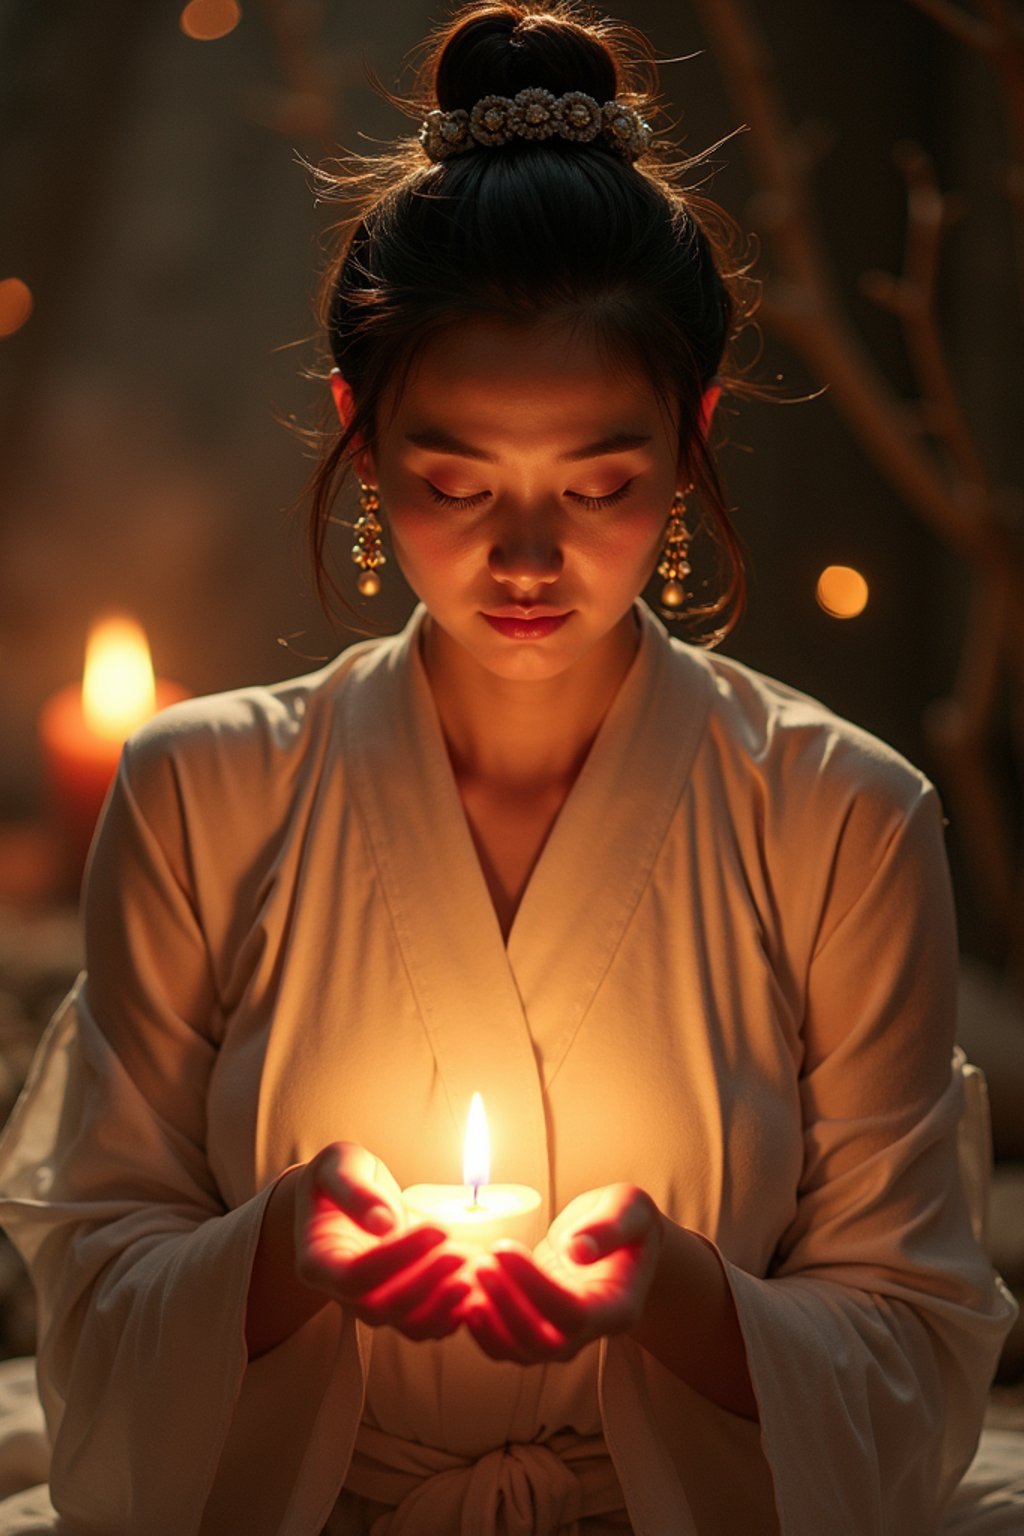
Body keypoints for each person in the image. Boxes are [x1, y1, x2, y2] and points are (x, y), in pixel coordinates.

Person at [0, 3, 1019, 1533]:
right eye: (455, 479)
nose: (525, 554)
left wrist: (678, 1294)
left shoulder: (842, 814)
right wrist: (283, 1253)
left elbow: (916, 1352)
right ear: (360, 432)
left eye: (600, 482)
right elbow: (90, 1301)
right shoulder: (205, 792)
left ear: (692, 442)